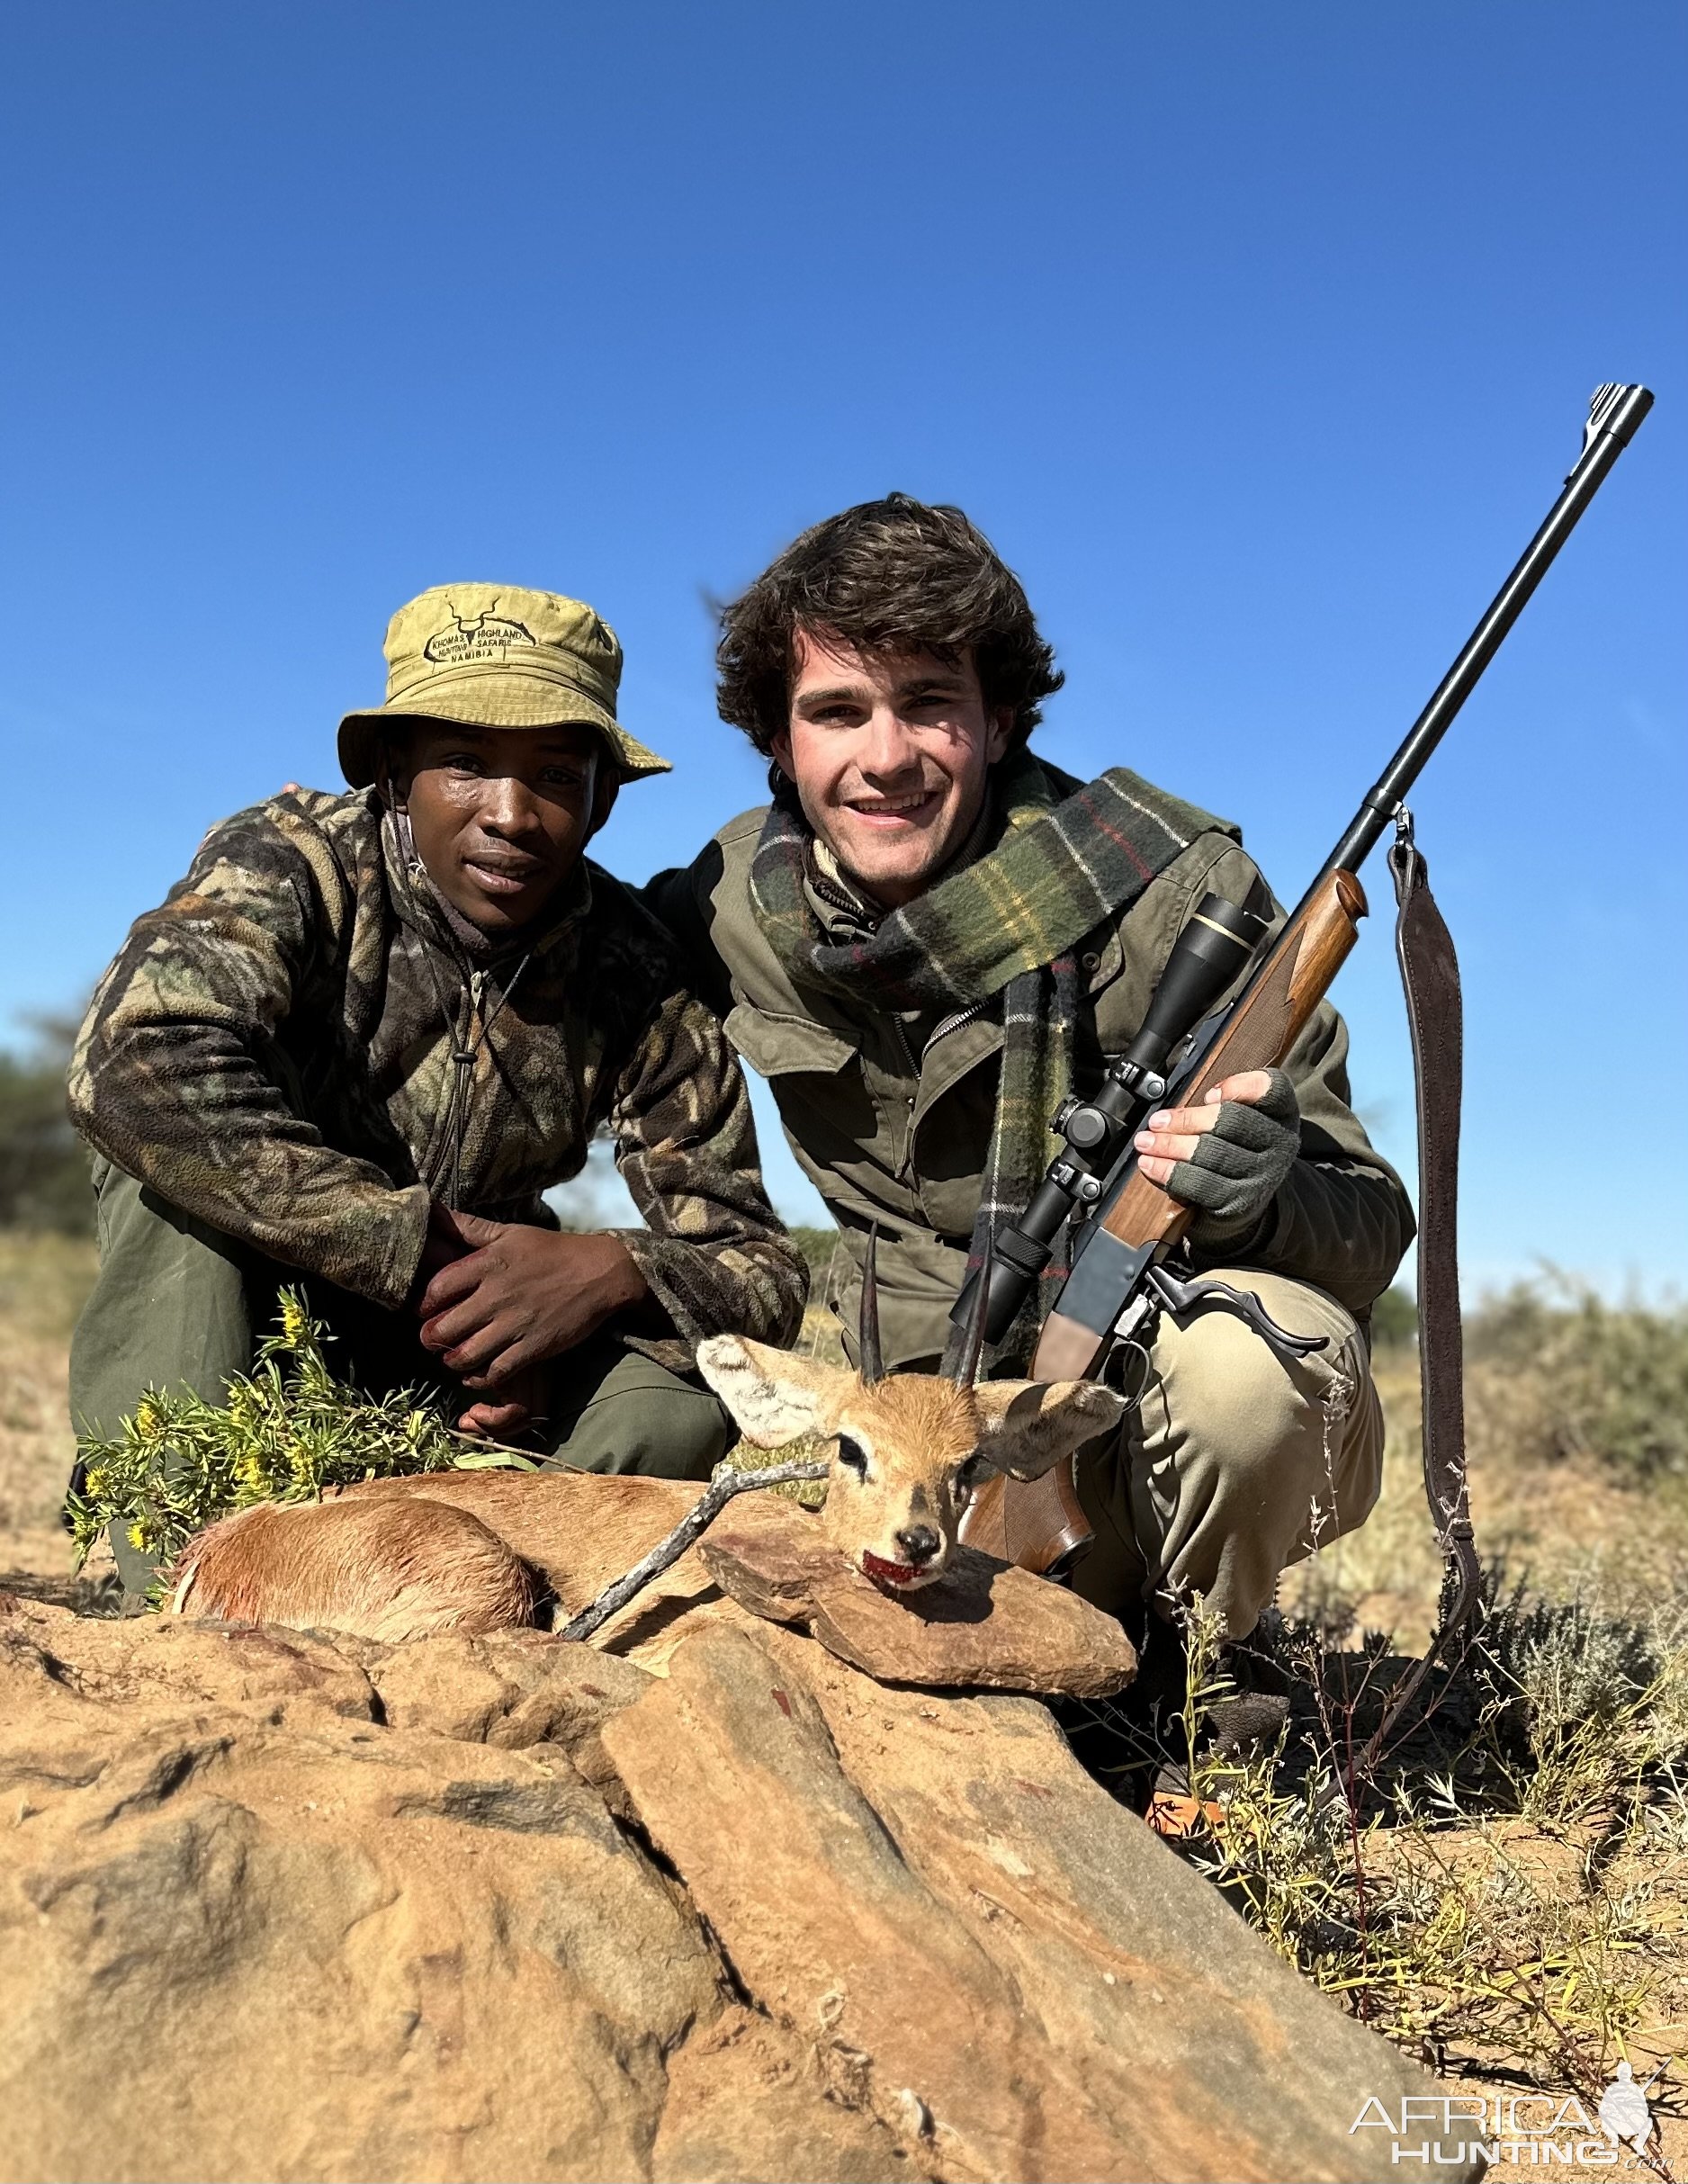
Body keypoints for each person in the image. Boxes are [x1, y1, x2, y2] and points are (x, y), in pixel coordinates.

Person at [644, 496, 1413, 1649]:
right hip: (892, 1448)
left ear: (999, 722)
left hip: (1106, 1420)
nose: (885, 755)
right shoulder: (726, 904)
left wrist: (1261, 1200)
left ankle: (1189, 1680)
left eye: (930, 705)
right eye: (837, 711)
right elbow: (558, 980)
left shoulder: (1175, 893)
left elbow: (1369, 1223)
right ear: (778, 739)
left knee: (1241, 1379)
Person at [68, 583, 806, 1592]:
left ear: (602, 798)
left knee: (680, 1388)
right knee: (166, 1188)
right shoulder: (296, 864)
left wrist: (602, 1276)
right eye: (465, 763)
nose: (510, 815)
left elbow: (760, 1268)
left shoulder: (635, 970)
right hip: (264, 1338)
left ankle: (533, 1596)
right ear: (392, 770)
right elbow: (134, 1063)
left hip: (475, 1387)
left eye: (555, 773)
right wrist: (414, 1252)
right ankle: (180, 1580)